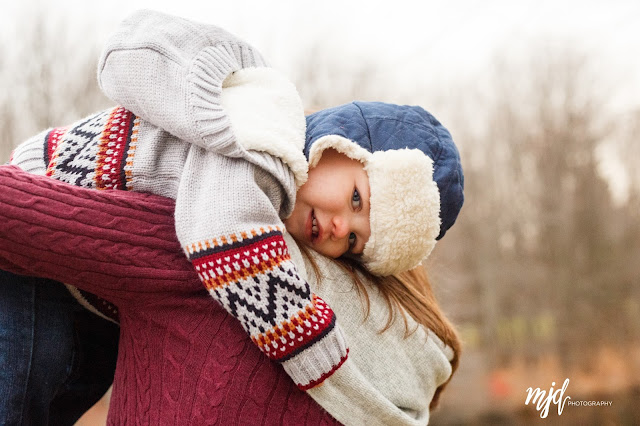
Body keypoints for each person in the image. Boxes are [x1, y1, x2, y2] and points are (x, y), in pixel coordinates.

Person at [1, 9, 464, 424]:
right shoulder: (267, 146)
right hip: (53, 187)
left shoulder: (280, 200)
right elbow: (221, 234)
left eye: (356, 242)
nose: (341, 228)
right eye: (358, 200)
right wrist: (319, 356)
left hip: (91, 295)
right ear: (339, 143)